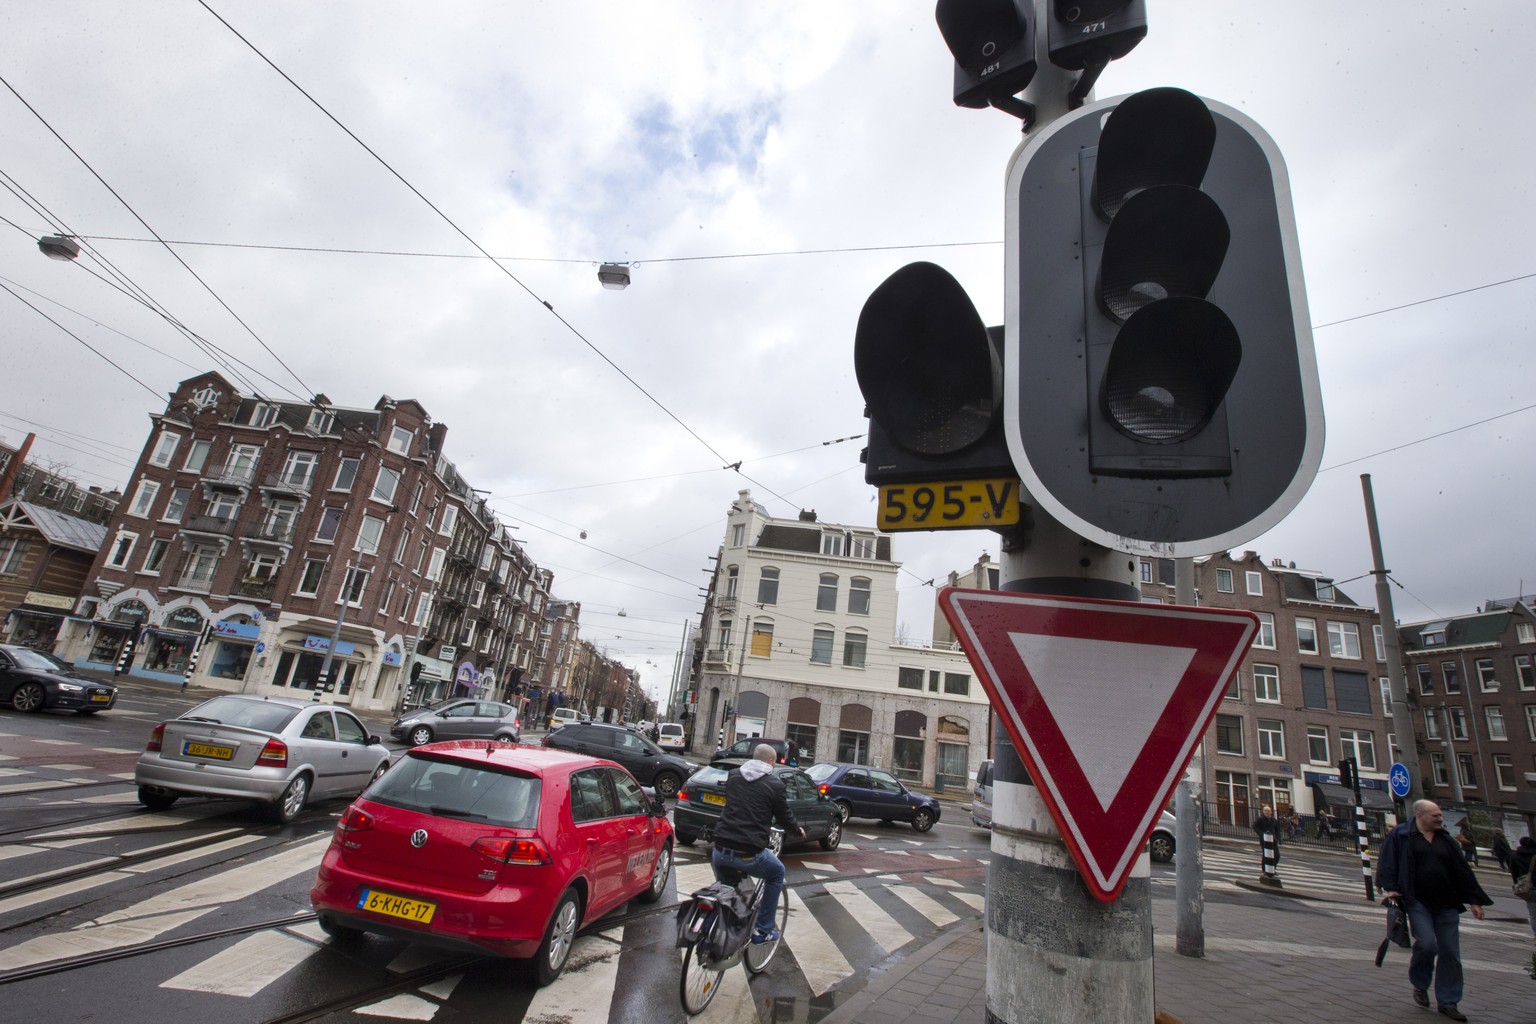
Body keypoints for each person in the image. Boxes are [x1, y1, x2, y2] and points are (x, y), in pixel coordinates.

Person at [1378, 800, 1492, 1022]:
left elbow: (1462, 870)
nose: (1440, 819)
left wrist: (1474, 901)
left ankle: (1448, 1001)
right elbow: (1388, 861)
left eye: (1440, 815)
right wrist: (1391, 889)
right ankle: (1420, 982)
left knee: (1450, 951)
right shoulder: (1402, 835)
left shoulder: (1446, 840)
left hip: (1447, 902)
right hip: (1417, 900)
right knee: (1427, 944)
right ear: (1420, 816)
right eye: (1435, 816)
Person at [710, 743, 805, 943]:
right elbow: (785, 816)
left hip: (719, 849)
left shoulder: (734, 776)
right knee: (777, 872)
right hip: (747, 852)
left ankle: (717, 932)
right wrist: (797, 831)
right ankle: (763, 930)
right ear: (771, 761)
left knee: (726, 888)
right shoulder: (775, 785)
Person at [1510, 835, 1536, 944]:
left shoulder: (1515, 855)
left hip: (1528, 888)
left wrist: (1517, 884)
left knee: (1533, 914)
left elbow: (1514, 872)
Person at [1253, 804, 1283, 876]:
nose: (1267, 812)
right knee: (1266, 855)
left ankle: (1273, 868)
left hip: (1273, 840)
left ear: (1271, 812)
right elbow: (1255, 826)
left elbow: (1277, 829)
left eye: (1268, 811)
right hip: (1264, 840)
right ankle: (1265, 869)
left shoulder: (1274, 820)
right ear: (1263, 812)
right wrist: (1261, 834)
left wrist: (1278, 838)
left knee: (1277, 855)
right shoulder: (1260, 819)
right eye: (1266, 811)